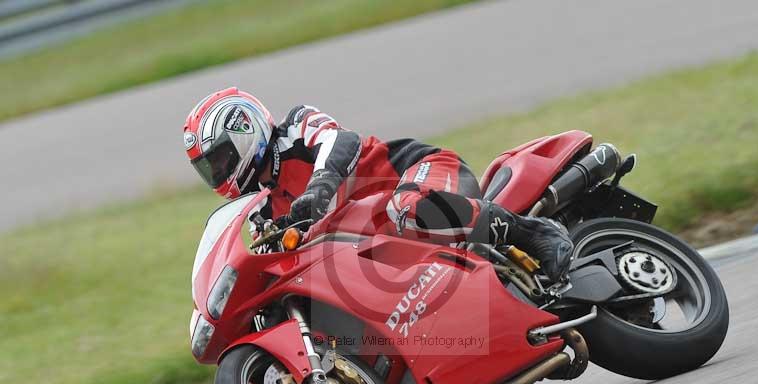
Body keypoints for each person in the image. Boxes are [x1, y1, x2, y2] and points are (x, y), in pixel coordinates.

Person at [183, 87, 573, 280]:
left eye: (219, 159)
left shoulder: (297, 128)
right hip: (390, 246)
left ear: (244, 131)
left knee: (406, 208)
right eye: (209, 169)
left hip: (421, 174)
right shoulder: (262, 212)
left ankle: (533, 233)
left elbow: (341, 142)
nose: (219, 173)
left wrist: (320, 187)